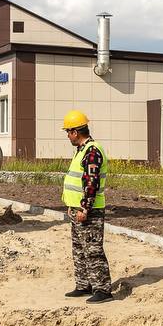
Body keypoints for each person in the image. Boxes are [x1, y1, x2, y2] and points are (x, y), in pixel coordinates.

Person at [61, 110, 112, 303]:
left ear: (75, 132)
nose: (67, 136)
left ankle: (103, 289)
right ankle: (84, 285)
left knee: (93, 249)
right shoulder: (82, 151)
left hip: (89, 211)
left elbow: (91, 183)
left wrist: (85, 208)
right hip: (77, 209)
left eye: (68, 132)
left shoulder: (92, 151)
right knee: (79, 249)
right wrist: (72, 205)